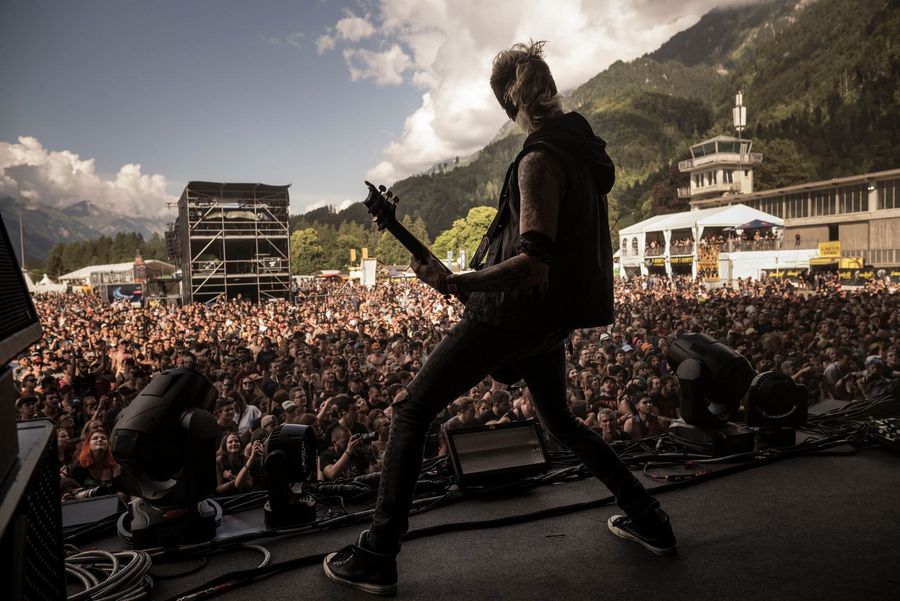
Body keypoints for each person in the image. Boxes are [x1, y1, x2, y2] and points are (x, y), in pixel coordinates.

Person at [323, 40, 676, 596]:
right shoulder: (582, 153)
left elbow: (533, 264)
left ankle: (378, 552)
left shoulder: (539, 158)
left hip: (515, 315)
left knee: (412, 411)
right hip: (549, 321)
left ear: (507, 103)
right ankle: (649, 517)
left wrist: (461, 283)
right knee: (560, 422)